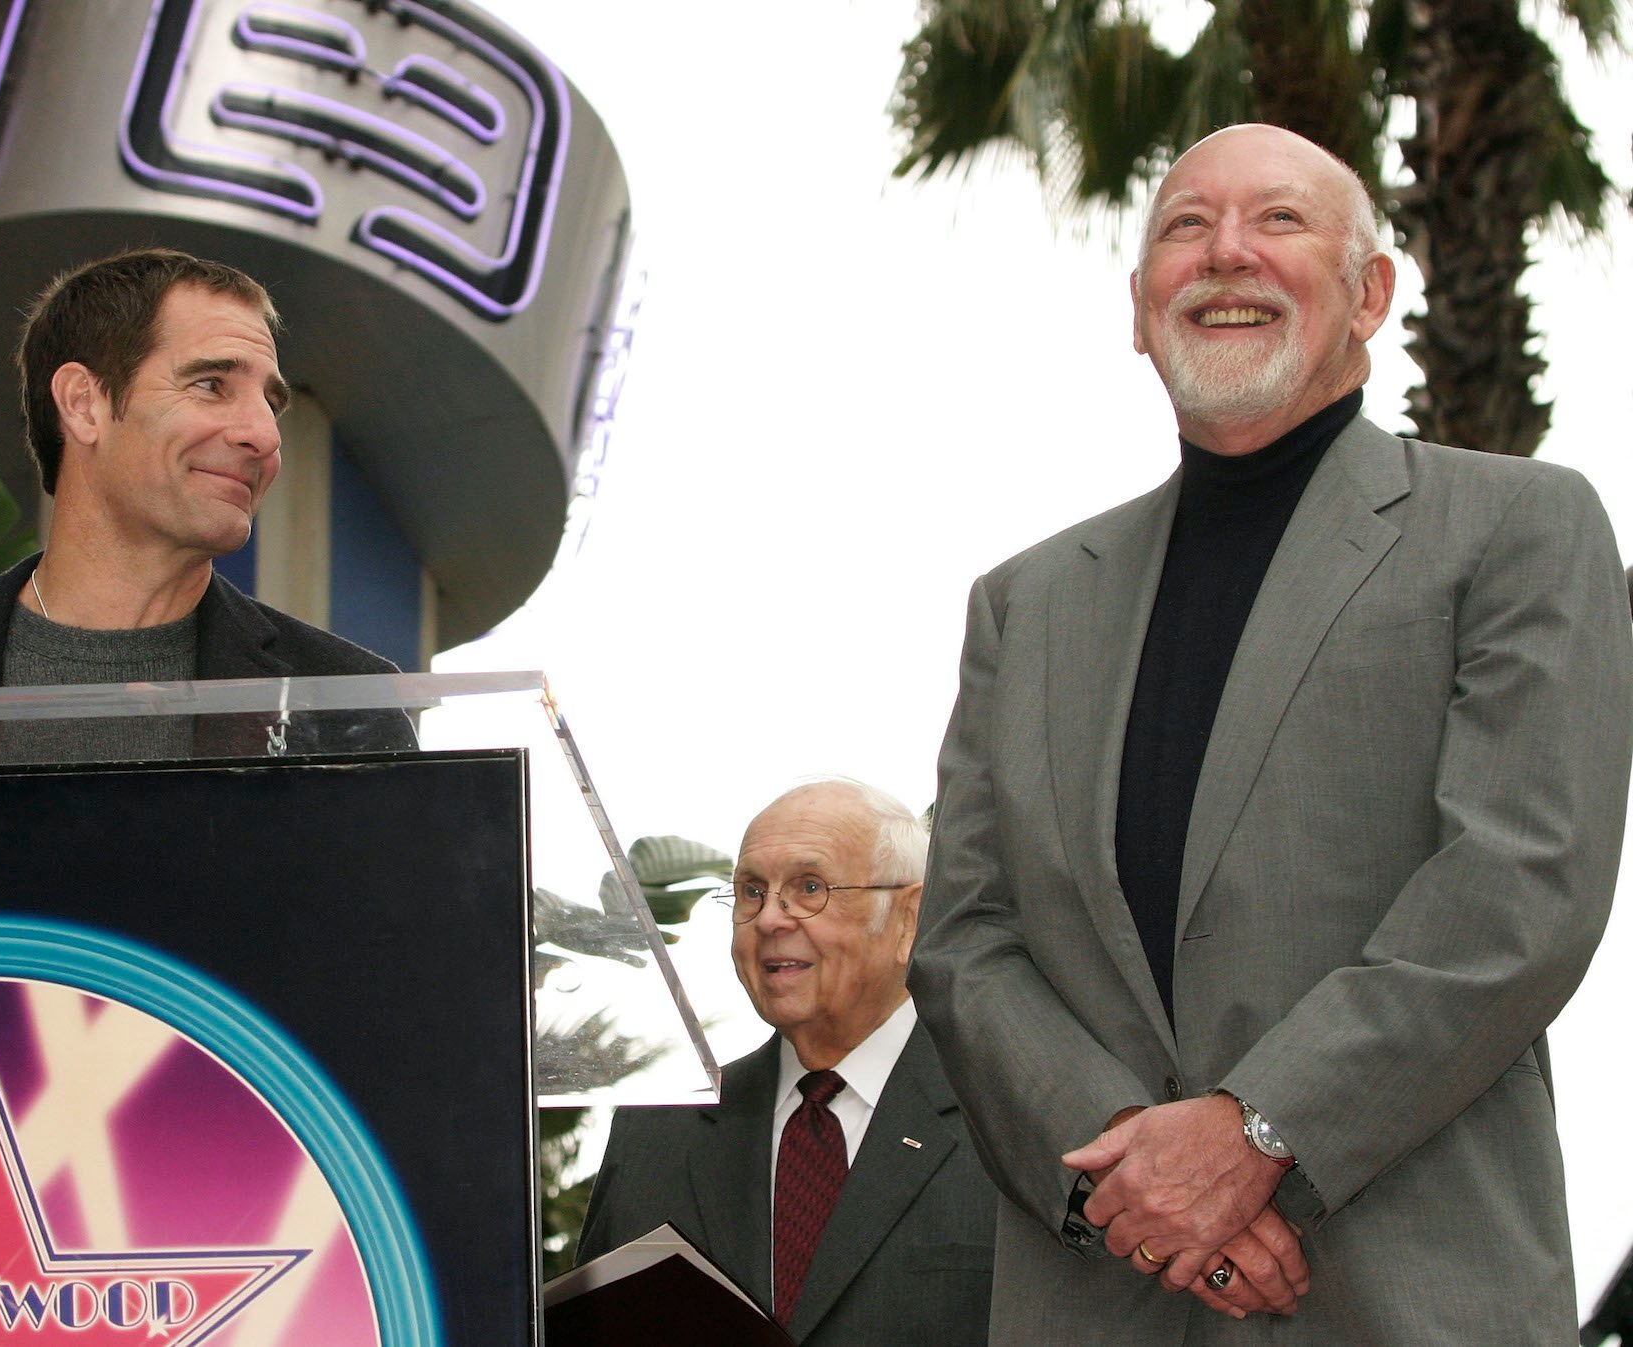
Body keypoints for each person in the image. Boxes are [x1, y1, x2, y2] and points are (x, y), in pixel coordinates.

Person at [912, 122, 1633, 1345]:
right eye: (1184, 226)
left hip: (1400, 1297)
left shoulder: (1518, 529)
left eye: (1278, 221)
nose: (1224, 254)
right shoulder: (1022, 602)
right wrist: (1137, 1182)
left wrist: (1259, 1131)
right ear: (1138, 311)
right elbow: (965, 942)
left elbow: (1518, 889)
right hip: (1101, 1293)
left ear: (1369, 296)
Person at [0, 247, 413, 762]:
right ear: (83, 404)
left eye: (270, 404)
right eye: (210, 385)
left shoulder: (344, 708)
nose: (264, 434)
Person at [578, 780, 997, 1345]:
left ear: (910, 919)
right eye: (751, 892)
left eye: (809, 887)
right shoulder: (656, 1131)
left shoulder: (1004, 1115)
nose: (771, 919)